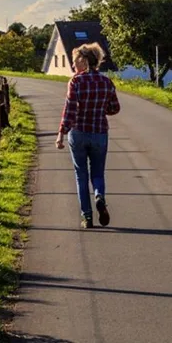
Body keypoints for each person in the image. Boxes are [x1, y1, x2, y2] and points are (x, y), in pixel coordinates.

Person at [56, 43, 121, 229]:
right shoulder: (106, 82)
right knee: (98, 172)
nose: (73, 65)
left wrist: (61, 133)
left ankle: (87, 217)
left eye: (75, 61)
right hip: (99, 133)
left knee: (81, 175)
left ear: (83, 61)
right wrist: (100, 109)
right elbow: (115, 108)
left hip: (78, 132)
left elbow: (69, 110)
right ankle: (99, 195)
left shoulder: (76, 82)